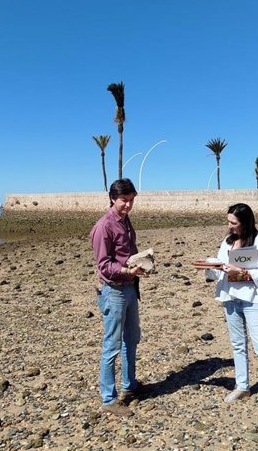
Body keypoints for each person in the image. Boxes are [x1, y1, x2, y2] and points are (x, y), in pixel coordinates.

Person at [209, 203, 258, 418]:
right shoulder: (227, 242)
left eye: (234, 223)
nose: (230, 226)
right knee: (237, 344)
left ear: (245, 222)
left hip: (254, 300)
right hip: (231, 298)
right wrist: (210, 267)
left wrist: (240, 272)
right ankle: (242, 386)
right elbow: (221, 269)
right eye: (228, 222)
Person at [90, 178, 147, 417]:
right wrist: (125, 270)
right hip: (114, 291)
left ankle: (130, 384)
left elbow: (126, 254)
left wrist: (140, 265)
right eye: (124, 200)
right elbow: (103, 265)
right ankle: (108, 399)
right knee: (111, 345)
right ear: (113, 198)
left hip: (130, 288)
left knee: (132, 338)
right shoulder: (104, 226)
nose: (128, 205)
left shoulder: (125, 221)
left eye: (132, 200)